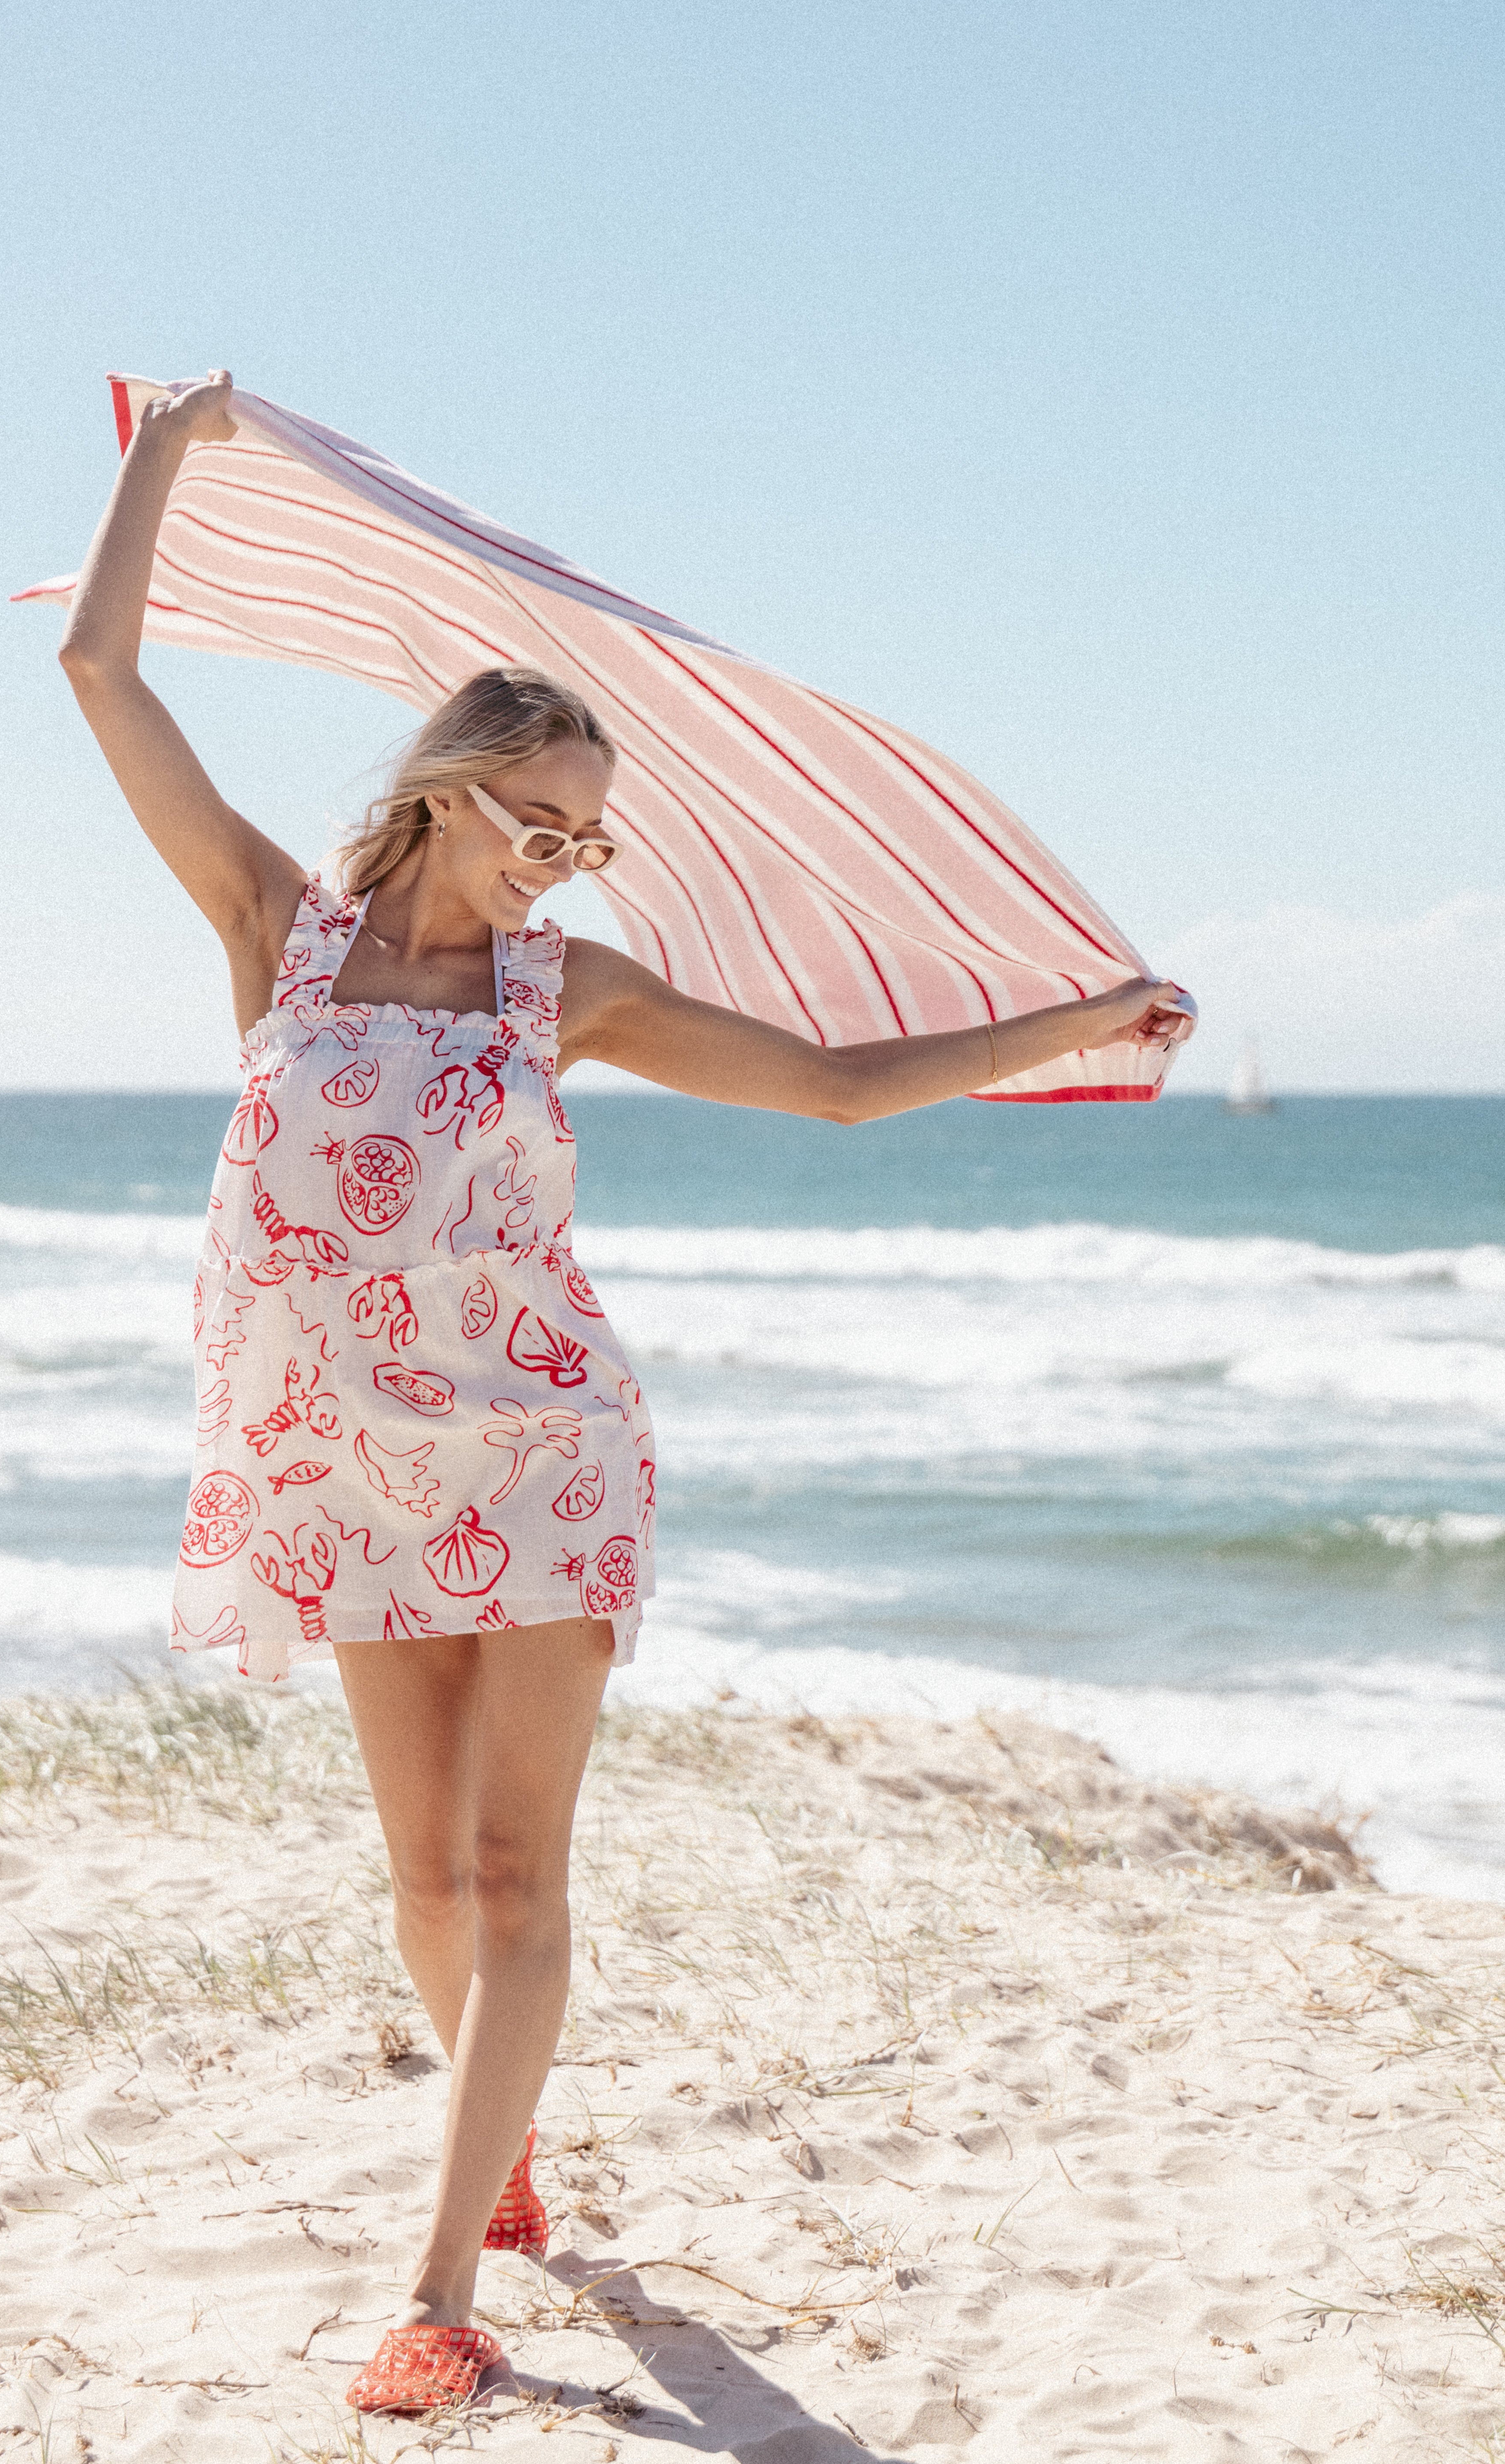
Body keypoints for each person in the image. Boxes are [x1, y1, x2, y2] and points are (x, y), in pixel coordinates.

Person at [58, 369, 1186, 2416]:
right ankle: (506, 2173)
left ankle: (445, 2294)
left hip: (536, 1447)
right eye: (540, 823)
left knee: (508, 1878)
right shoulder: (276, 937)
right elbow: (97, 663)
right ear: (438, 794)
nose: (568, 863)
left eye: (593, 837)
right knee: (416, 1881)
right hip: (344, 1458)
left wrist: (1074, 1020)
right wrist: (170, 449)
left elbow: (837, 1087)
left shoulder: (559, 994)